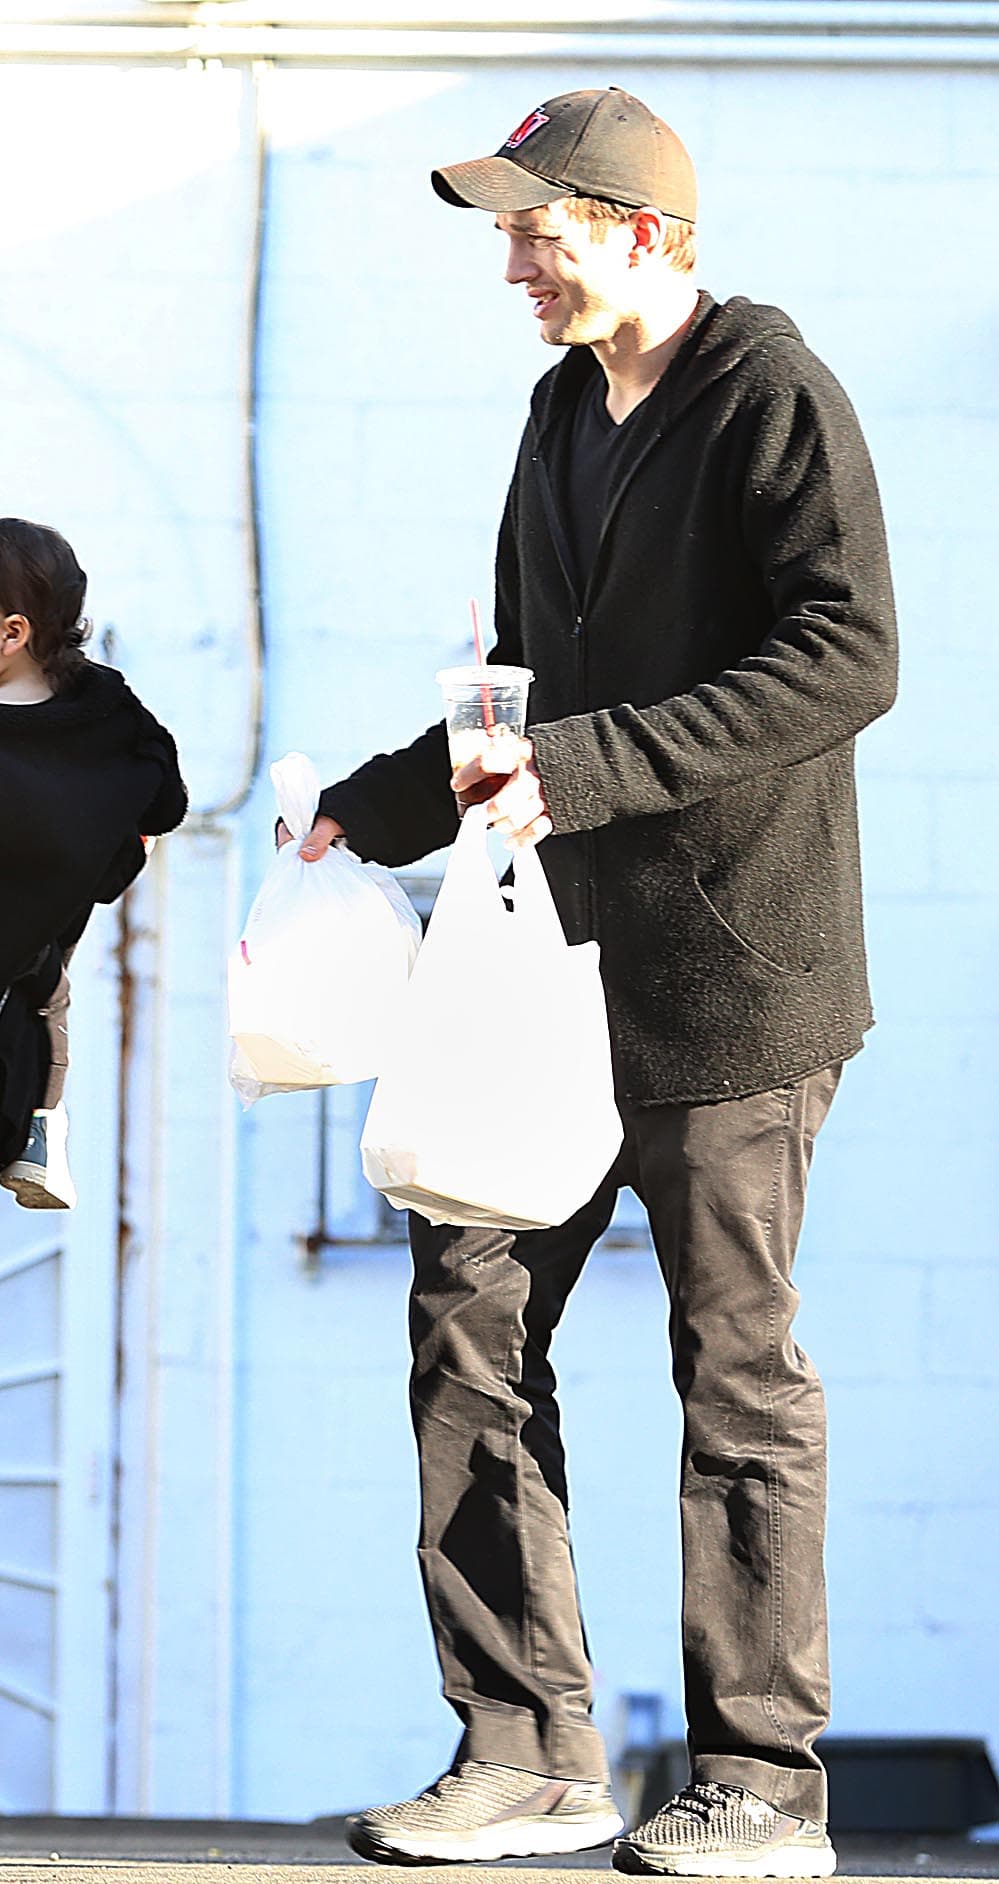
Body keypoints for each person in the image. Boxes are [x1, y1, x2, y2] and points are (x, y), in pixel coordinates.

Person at [287, 88, 897, 1874]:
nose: (509, 262)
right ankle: (524, 1748)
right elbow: (517, 681)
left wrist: (596, 763)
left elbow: (844, 651)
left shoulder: (768, 392)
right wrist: (376, 798)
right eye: (500, 230)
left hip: (736, 978)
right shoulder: (558, 411)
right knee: (466, 1319)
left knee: (733, 1369)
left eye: (533, 229)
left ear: (643, 230)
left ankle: (758, 1781)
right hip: (541, 977)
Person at [0, 517, 187, 1207]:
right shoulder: (106, 708)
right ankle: (39, 1132)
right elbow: (162, 803)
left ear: (11, 633)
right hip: (41, 950)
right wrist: (106, 864)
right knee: (45, 995)